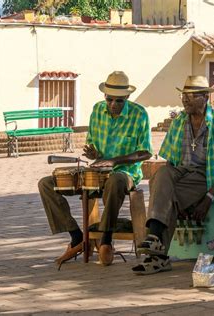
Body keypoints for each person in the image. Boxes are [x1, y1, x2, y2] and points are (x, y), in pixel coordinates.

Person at [38, 71, 152, 266]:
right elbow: (94, 148)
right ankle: (76, 236)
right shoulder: (97, 110)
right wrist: (94, 154)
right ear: (104, 97)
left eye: (119, 101)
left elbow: (146, 152)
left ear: (127, 97)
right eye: (109, 100)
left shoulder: (139, 114)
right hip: (97, 171)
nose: (113, 105)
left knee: (115, 180)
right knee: (46, 184)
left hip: (126, 173)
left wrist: (114, 161)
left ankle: (106, 239)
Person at [132, 75, 214, 275]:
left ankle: (157, 255)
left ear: (205, 98)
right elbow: (170, 162)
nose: (184, 99)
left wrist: (209, 197)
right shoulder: (179, 122)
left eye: (190, 95)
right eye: (183, 95)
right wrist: (166, 185)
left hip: (206, 175)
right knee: (161, 174)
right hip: (182, 173)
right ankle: (156, 243)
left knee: (168, 195)